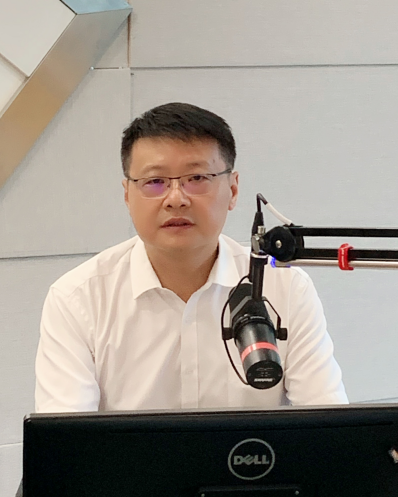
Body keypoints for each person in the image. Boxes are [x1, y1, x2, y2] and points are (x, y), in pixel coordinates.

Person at [35, 102, 348, 412]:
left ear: (233, 190)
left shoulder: (286, 288)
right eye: (155, 182)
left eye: (196, 178)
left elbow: (328, 424)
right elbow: (66, 438)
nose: (175, 199)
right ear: (127, 194)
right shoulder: (78, 300)